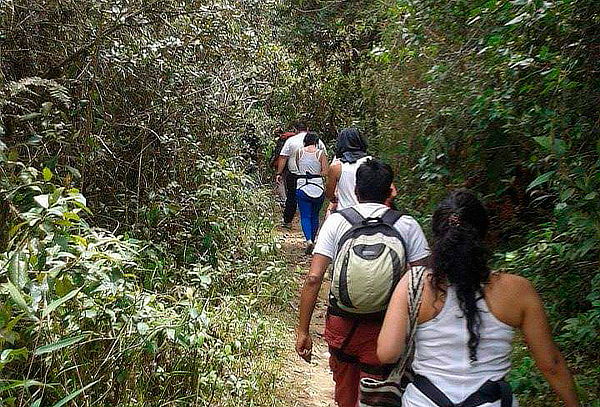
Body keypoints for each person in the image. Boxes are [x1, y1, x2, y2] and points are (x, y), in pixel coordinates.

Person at [378, 189, 579, 407]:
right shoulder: (517, 290)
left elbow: (388, 353)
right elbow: (551, 363)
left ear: (436, 236)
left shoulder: (414, 283)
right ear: (485, 236)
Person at [296, 159, 431, 407]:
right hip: (387, 328)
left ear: (356, 192)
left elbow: (314, 278)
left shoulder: (337, 222)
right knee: (379, 395)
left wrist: (303, 330)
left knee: (345, 392)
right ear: (391, 190)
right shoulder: (407, 225)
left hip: (342, 325)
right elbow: (425, 284)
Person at [276, 123, 326, 228]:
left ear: (296, 129)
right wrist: (322, 173)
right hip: (314, 176)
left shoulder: (291, 140)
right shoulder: (318, 141)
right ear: (307, 129)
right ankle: (312, 222)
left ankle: (287, 221)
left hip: (294, 174)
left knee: (291, 197)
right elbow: (324, 157)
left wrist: (279, 173)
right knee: (313, 197)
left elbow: (283, 157)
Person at [295, 132, 329, 254]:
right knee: (314, 216)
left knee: (304, 216)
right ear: (316, 142)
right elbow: (325, 172)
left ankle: (308, 240)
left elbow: (299, 167)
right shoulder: (321, 154)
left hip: (302, 186)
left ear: (305, 141)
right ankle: (313, 240)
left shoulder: (299, 152)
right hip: (317, 187)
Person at [325, 127, 371, 212]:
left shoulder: (336, 167)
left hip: (346, 215)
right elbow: (391, 192)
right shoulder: (372, 163)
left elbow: (329, 193)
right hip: (369, 213)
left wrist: (334, 199)